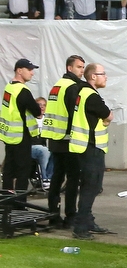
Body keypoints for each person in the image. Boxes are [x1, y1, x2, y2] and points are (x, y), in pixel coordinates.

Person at [69, 63, 113, 239]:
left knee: (90, 186)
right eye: (103, 73)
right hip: (92, 147)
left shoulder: (82, 92)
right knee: (91, 187)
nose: (106, 77)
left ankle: (87, 221)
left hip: (85, 146)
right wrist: (108, 118)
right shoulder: (91, 95)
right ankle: (80, 228)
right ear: (93, 76)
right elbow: (108, 115)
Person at [40, 55, 85, 228]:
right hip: (68, 140)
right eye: (79, 67)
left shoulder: (57, 86)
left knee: (57, 177)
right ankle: (70, 216)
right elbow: (76, 113)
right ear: (69, 68)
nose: (81, 70)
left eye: (82, 67)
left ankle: (53, 213)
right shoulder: (73, 87)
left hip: (55, 139)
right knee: (73, 178)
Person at [0, 59, 41, 199]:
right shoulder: (22, 91)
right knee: (23, 171)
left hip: (9, 135)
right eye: (29, 69)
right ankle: (19, 204)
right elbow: (36, 110)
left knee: (9, 170)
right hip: (21, 136)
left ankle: (6, 201)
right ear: (19, 70)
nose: (32, 73)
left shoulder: (9, 87)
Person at [31, 96, 52, 189]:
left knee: (55, 152)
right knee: (44, 150)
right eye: (39, 105)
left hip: (44, 146)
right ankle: (45, 178)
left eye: (44, 105)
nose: (42, 107)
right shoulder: (30, 119)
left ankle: (51, 178)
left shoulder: (48, 120)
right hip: (31, 147)